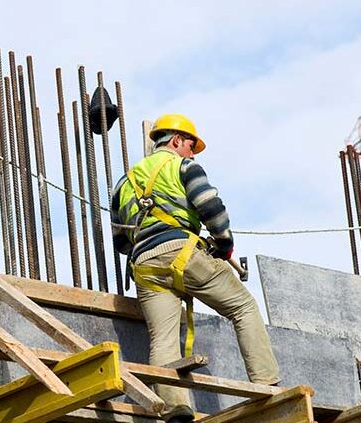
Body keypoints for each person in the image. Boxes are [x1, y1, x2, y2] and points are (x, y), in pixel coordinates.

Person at [111, 114, 280, 422]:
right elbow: (211, 208)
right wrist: (223, 244)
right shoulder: (184, 166)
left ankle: (176, 411)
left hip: (145, 266)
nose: (192, 153)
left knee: (162, 340)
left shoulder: (124, 183)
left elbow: (121, 241)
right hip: (183, 253)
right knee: (243, 307)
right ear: (176, 141)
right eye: (190, 146)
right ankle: (267, 384)